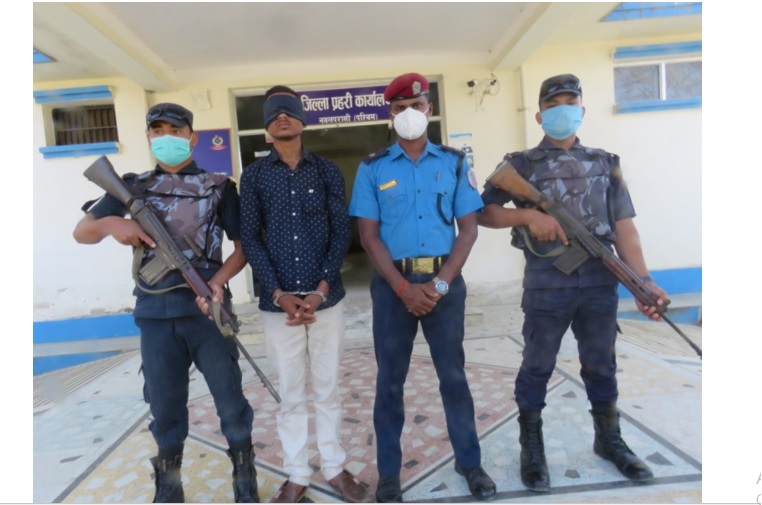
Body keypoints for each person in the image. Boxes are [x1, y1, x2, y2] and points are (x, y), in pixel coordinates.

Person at [478, 74, 669, 492]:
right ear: (540, 115)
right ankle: (532, 449)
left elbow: (625, 228)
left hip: (600, 283)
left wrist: (644, 282)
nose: (562, 110)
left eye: (570, 102)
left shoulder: (605, 162)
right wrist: (528, 215)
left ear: (581, 110)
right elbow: (482, 213)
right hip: (547, 285)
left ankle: (609, 439)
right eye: (553, 104)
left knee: (601, 364)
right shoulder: (521, 164)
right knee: (537, 365)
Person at [72, 102, 258, 503]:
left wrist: (217, 284)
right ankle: (169, 485)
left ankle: (245, 480)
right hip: (156, 316)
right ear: (148, 137)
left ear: (192, 138)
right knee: (165, 407)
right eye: (157, 131)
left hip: (207, 314)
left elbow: (243, 249)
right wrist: (113, 223)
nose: (166, 137)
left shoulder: (219, 186)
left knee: (230, 402)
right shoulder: (132, 187)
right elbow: (82, 232)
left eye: (175, 130)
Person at [348, 73, 496, 503]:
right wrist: (402, 288)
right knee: (389, 383)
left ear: (430, 109)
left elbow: (468, 230)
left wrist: (441, 283)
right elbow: (369, 237)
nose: (409, 114)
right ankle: (389, 474)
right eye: (399, 108)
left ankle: (470, 462)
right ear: (390, 114)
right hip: (392, 288)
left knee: (453, 377)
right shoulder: (372, 167)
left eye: (416, 106)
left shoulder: (454, 163)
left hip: (444, 285)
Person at [233, 85, 368, 504]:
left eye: (289, 110)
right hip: (279, 307)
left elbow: (341, 232)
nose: (282, 117)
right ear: (266, 125)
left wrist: (322, 289)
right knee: (290, 394)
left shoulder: (326, 171)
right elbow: (250, 238)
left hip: (327, 301)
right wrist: (278, 293)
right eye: (274, 113)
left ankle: (333, 467)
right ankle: (296, 474)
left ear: (302, 119)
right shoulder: (254, 176)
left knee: (327, 388)